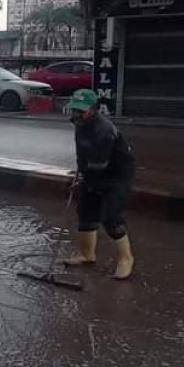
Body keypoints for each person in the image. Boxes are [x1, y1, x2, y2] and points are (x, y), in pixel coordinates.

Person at [64, 89, 136, 280]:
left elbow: (99, 164)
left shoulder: (103, 130)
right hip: (93, 170)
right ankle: (87, 255)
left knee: (111, 217)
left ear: (93, 109)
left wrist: (84, 181)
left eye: (81, 110)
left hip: (116, 174)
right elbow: (82, 153)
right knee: (86, 210)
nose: (77, 114)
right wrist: (79, 175)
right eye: (75, 110)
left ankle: (126, 259)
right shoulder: (80, 124)